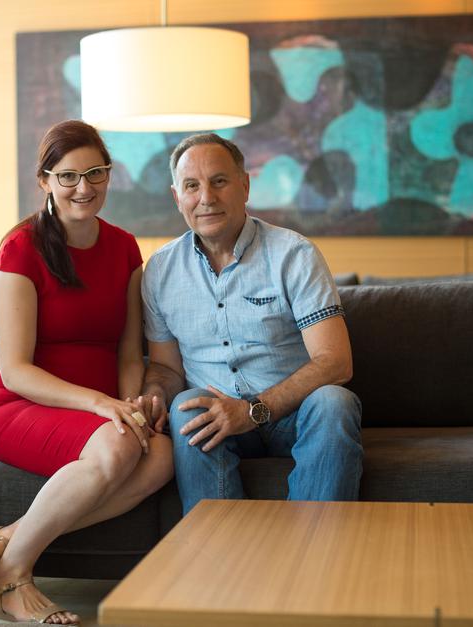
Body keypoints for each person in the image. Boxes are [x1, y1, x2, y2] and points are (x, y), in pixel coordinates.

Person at [0, 120, 173, 625]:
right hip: (18, 406)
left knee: (160, 456)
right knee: (119, 445)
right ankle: (10, 580)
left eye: (95, 173)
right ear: (45, 180)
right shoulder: (20, 248)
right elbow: (15, 370)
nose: (83, 188)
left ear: (109, 174)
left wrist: (130, 404)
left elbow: (128, 353)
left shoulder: (124, 248)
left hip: (99, 411)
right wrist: (101, 404)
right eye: (68, 176)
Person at [137, 133, 363, 515]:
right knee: (187, 407)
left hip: (294, 415)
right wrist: (154, 394)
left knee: (334, 401)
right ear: (177, 197)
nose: (206, 197)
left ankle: (315, 542)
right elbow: (165, 368)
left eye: (219, 181)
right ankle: (221, 544)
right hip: (216, 422)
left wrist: (253, 410)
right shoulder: (160, 270)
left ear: (244, 186)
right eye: (192, 186)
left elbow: (336, 361)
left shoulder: (293, 254)